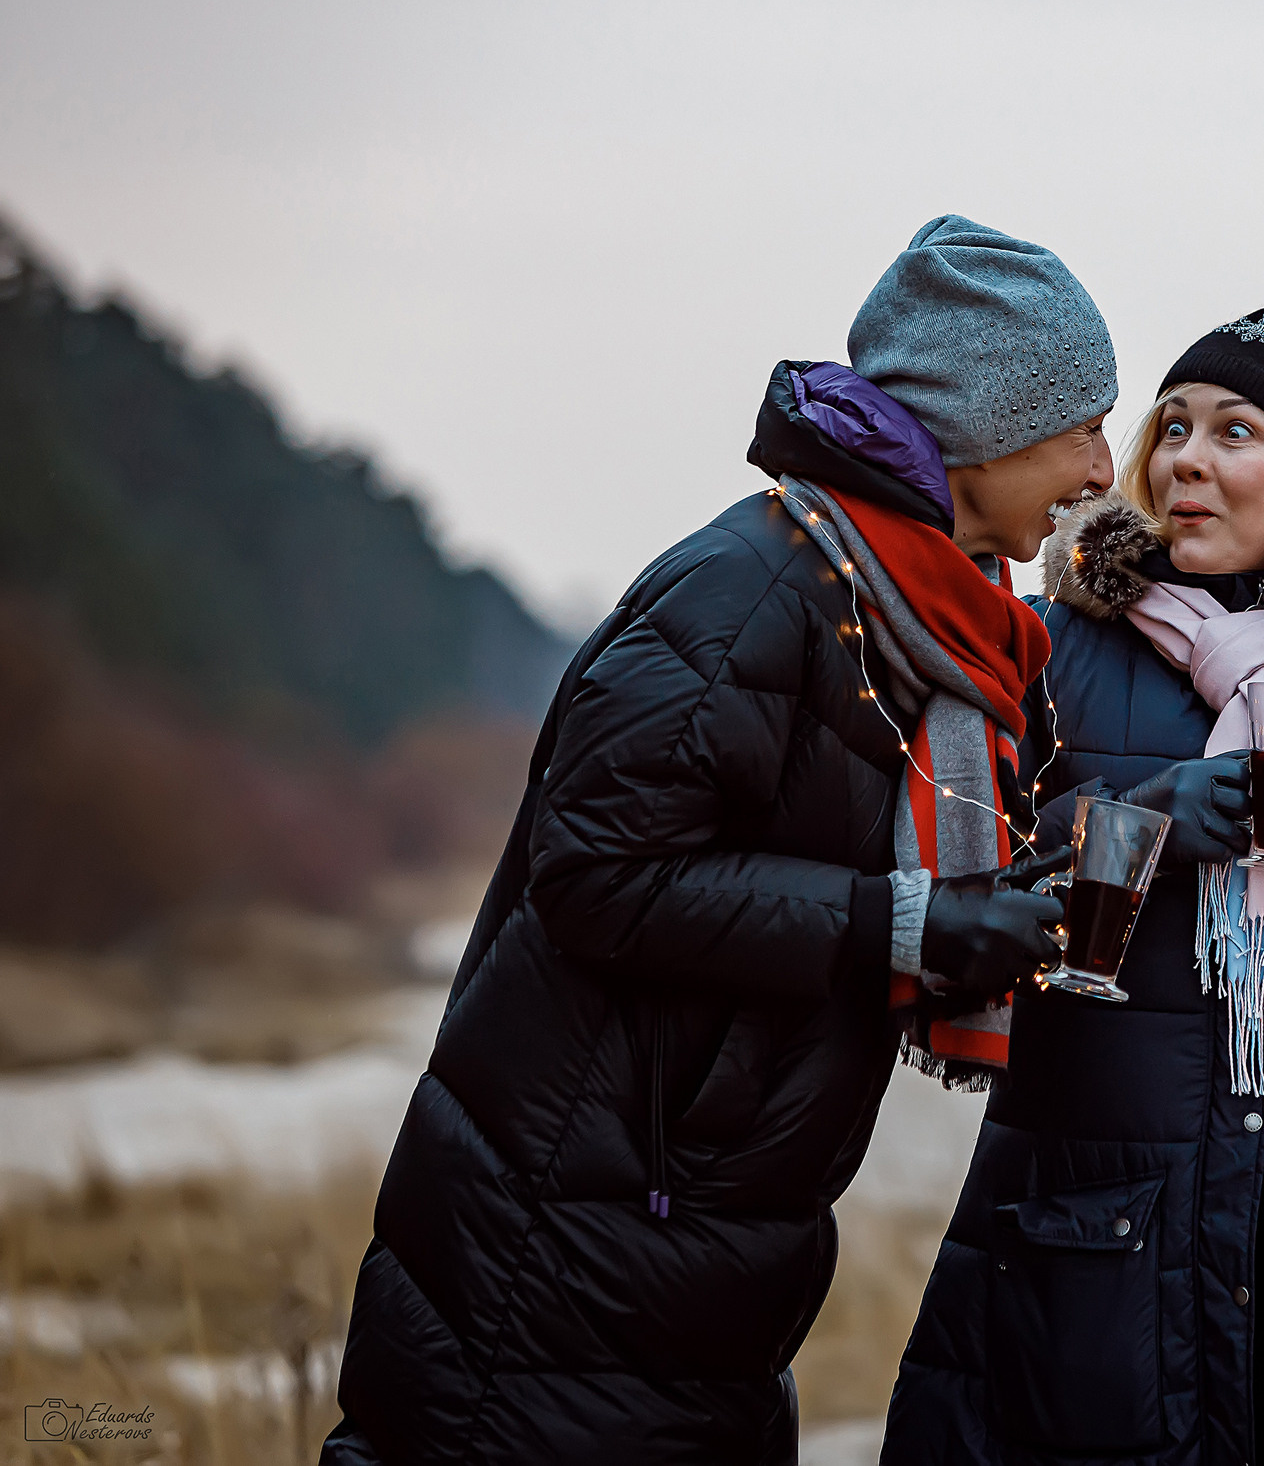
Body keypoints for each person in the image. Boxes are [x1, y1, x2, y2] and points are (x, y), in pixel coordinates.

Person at [323, 216, 1116, 1466]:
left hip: (682, 1254)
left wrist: (994, 901)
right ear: (987, 424)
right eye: (1082, 429)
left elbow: (816, 857)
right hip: (565, 1256)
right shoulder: (751, 587)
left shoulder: (906, 612)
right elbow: (597, 875)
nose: (1102, 473)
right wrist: (906, 923)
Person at [883, 308, 1264, 1466]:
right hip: (1095, 1261)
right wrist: (1138, 824)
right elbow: (968, 898)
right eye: (1172, 427)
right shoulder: (1053, 644)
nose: (1185, 461)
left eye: (1236, 431)